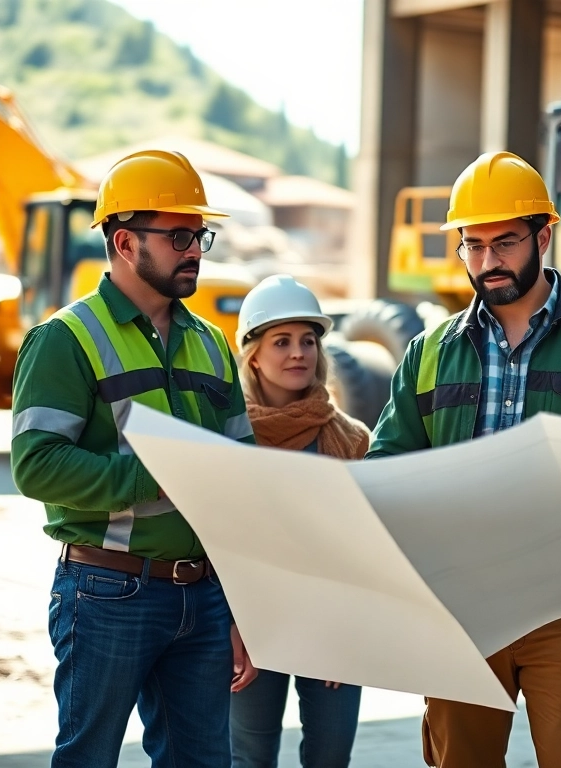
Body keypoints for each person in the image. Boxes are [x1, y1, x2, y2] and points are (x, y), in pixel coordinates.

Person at [367, 150, 561, 768]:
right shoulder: (428, 353)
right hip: (463, 609)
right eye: (473, 245)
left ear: (543, 236)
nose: (488, 261)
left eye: (505, 242)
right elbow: (387, 473)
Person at [11, 149, 258, 768]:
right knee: (89, 758)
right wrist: (157, 478)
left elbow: (244, 478)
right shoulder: (65, 340)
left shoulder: (212, 345)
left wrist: (246, 604)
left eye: (200, 234)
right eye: (180, 235)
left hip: (202, 597)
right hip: (105, 591)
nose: (196, 249)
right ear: (124, 241)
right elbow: (36, 464)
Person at [228, 274, 370, 768]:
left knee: (330, 758)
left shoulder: (352, 441)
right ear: (253, 355)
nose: (298, 353)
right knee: (250, 759)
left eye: (308, 341)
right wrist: (233, 623)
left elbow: (367, 549)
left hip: (332, 626)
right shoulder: (226, 439)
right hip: (250, 627)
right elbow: (216, 541)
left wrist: (343, 629)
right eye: (281, 341)